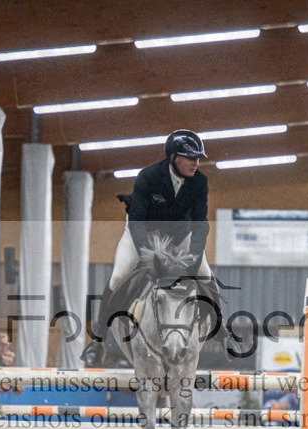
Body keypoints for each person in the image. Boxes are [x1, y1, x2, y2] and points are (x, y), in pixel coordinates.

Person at [81, 129, 238, 366]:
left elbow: (200, 224)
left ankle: (223, 332)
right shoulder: (148, 177)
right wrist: (147, 255)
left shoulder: (199, 182)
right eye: (190, 157)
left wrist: (194, 254)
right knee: (119, 277)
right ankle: (98, 340)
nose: (196, 163)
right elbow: (136, 222)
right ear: (173, 157)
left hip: (181, 236)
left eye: (198, 158)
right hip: (143, 234)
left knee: (207, 277)